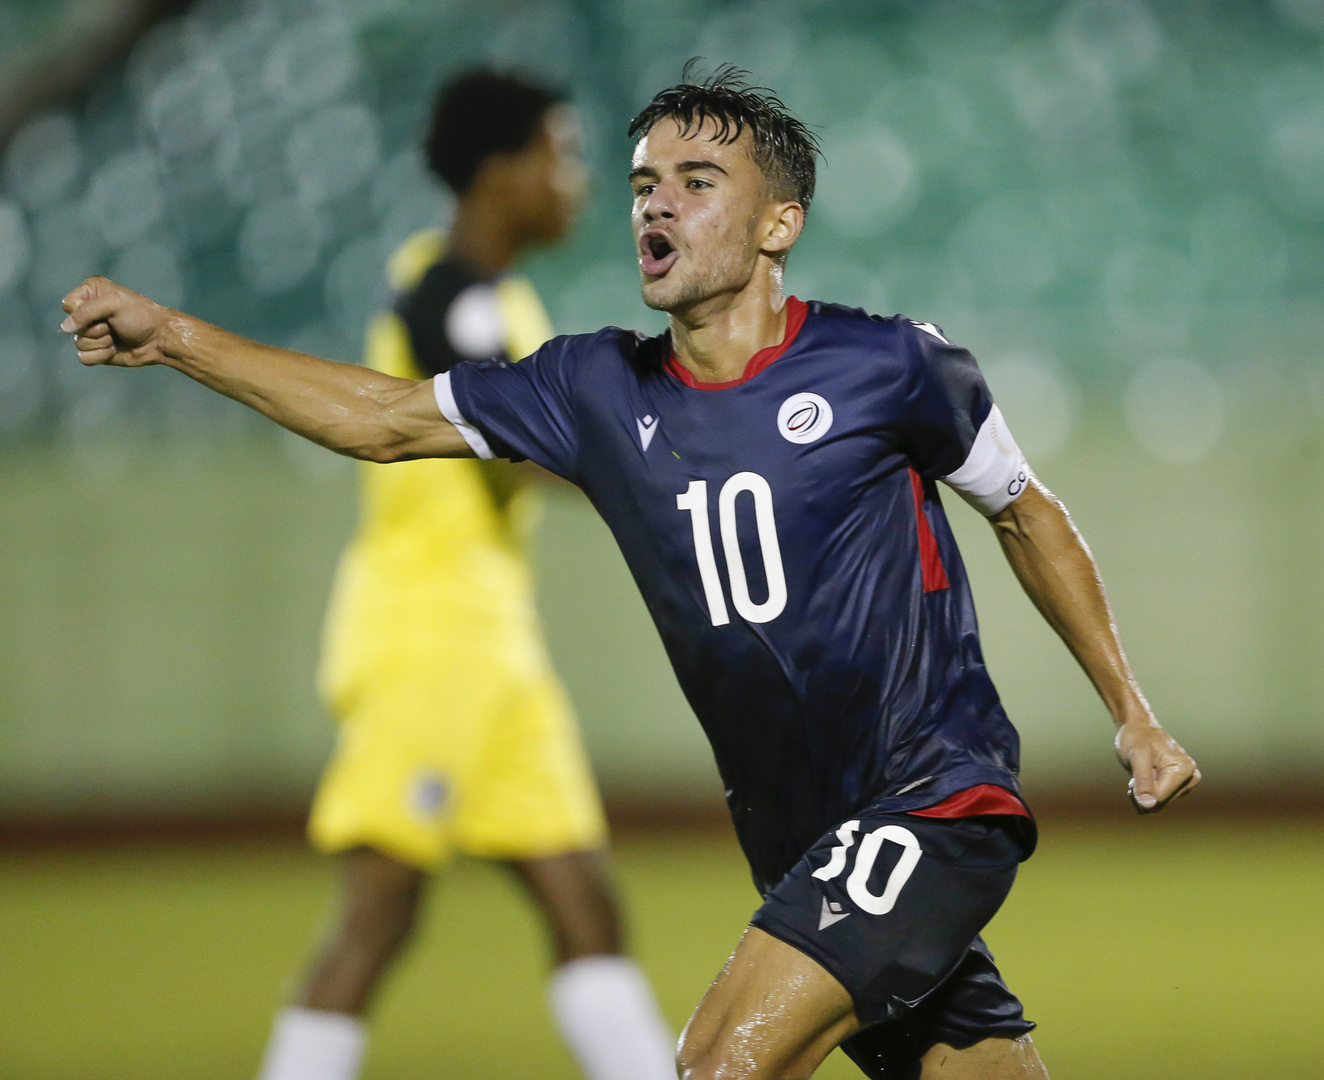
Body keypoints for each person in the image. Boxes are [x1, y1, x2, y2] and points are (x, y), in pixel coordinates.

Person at [61, 67, 1200, 1079]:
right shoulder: (591, 389)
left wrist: (1133, 716)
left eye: (697, 179)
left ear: (777, 223)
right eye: (645, 178)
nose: (654, 199)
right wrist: (176, 340)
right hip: (804, 839)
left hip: (934, 800)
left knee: (714, 1065)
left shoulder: (889, 363)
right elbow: (385, 419)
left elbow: (1025, 512)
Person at [254, 71, 678, 1080]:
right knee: (380, 911)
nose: (578, 182)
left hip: (497, 651)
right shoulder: (446, 288)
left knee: (585, 905)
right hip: (427, 638)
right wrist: (671, 471)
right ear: (499, 173)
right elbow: (515, 445)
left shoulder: (498, 300)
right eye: (560, 155)